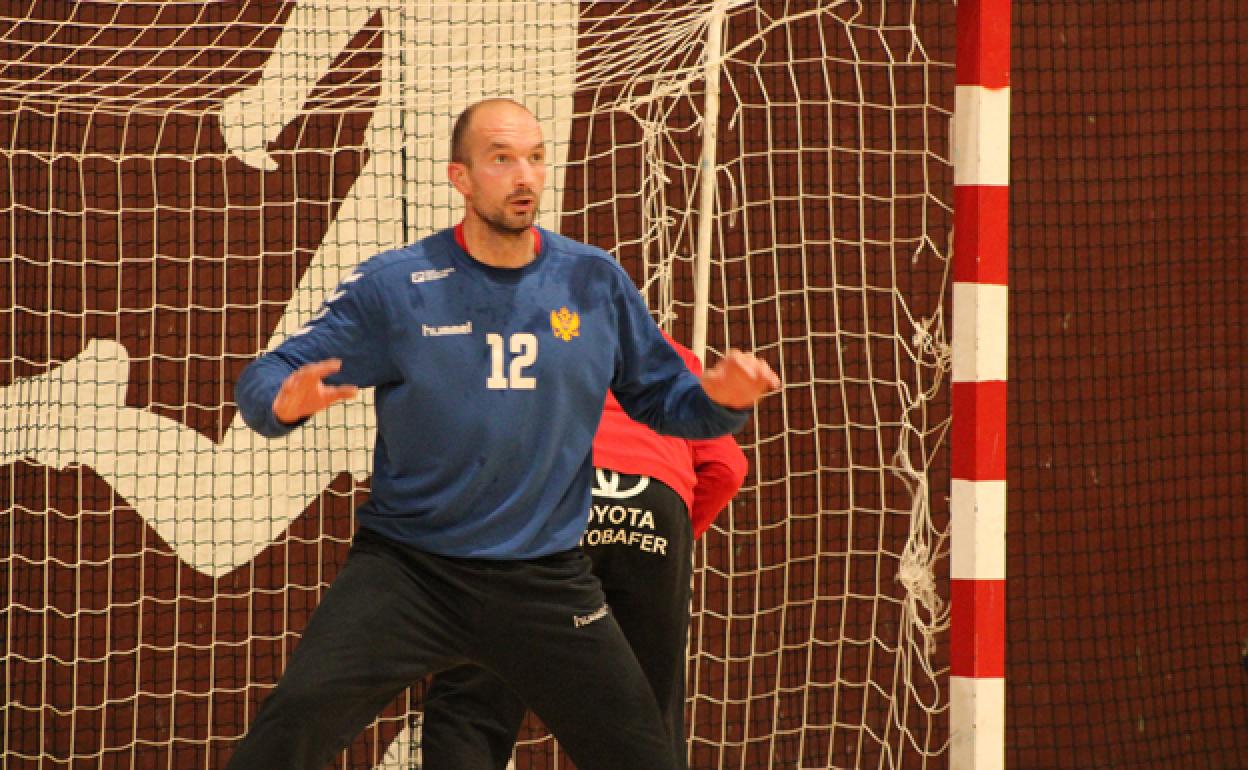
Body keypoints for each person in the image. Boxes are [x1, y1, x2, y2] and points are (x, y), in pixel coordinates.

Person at [225, 97, 779, 770]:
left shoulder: (592, 281)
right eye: (502, 159)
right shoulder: (397, 288)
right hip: (410, 571)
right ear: (460, 178)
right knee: (288, 731)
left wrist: (719, 401)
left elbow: (669, 405)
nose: (525, 176)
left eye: (536, 158)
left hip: (542, 577)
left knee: (644, 753)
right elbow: (270, 374)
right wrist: (279, 403)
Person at [421, 333, 749, 770]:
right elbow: (728, 469)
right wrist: (667, 541)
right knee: (647, 722)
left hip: (551, 497)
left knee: (473, 700)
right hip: (656, 509)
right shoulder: (669, 353)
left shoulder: (513, 337)